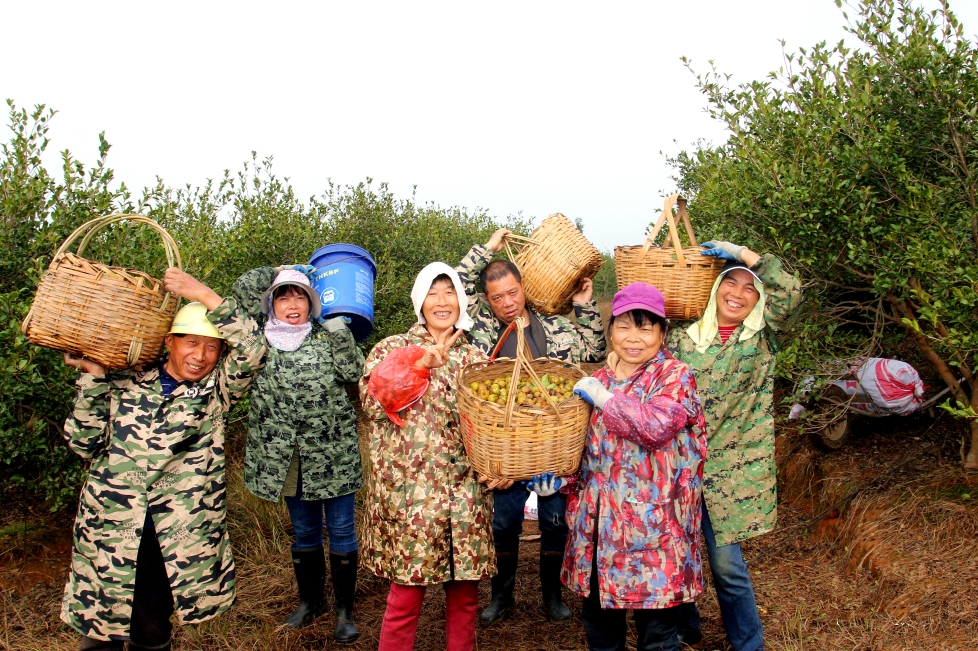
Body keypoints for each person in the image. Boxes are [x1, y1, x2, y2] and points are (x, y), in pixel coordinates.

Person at [60, 267, 268, 651]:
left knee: (151, 628)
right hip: (110, 525)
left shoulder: (214, 394)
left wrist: (200, 292)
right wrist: (92, 379)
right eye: (190, 343)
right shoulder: (122, 380)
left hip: (172, 533)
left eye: (211, 348)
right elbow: (82, 444)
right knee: (99, 628)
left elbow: (255, 348)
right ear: (169, 342)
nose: (200, 356)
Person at [456, 227, 607, 624]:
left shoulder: (555, 324)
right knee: (504, 523)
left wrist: (585, 305)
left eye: (512, 292)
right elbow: (456, 283)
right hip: (505, 446)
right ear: (487, 300)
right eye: (497, 297)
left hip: (551, 444)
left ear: (524, 286)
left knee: (556, 521)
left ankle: (551, 595)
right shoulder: (483, 328)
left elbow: (593, 350)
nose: (507, 302)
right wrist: (485, 249)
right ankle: (501, 595)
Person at [359, 262, 511, 651]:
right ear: (419, 300)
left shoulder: (478, 359)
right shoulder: (392, 349)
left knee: (464, 597)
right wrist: (420, 366)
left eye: (450, 293)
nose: (442, 301)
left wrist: (503, 468)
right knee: (405, 598)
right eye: (433, 292)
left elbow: (495, 427)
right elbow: (375, 402)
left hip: (465, 495)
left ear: (461, 301)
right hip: (413, 495)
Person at [666, 241, 803, 651]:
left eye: (750, 288)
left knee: (728, 567)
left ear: (759, 299)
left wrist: (743, 253)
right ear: (715, 288)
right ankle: (685, 627)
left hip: (732, 472)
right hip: (678, 467)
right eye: (732, 283)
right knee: (675, 554)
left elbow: (791, 293)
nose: (739, 294)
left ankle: (749, 645)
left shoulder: (763, 339)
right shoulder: (682, 338)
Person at [567, 282, 708, 651]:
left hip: (654, 536)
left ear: (663, 333)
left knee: (657, 637)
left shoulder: (676, 376)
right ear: (610, 329)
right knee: (601, 633)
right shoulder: (598, 379)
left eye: (645, 327)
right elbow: (583, 450)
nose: (633, 338)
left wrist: (605, 400)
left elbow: (655, 427)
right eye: (624, 326)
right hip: (600, 533)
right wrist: (560, 478)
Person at [243, 266, 365, 642]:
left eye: (300, 296)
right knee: (305, 532)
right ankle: (310, 602)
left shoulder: (326, 336)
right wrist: (278, 271)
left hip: (334, 453)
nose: (292, 304)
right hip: (288, 458)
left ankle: (344, 610)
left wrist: (341, 333)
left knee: (342, 530)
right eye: (283, 295)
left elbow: (354, 371)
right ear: (271, 304)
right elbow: (238, 293)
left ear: (312, 303)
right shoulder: (258, 343)